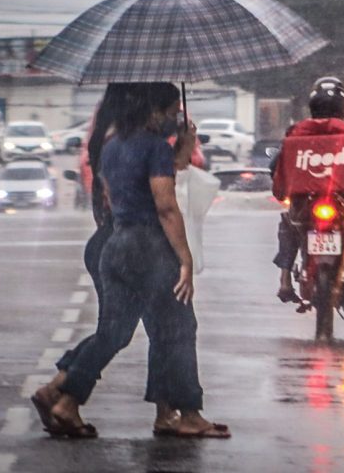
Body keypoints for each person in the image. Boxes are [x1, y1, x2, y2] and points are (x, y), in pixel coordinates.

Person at [33, 83, 227, 439]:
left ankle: (67, 401)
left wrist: (182, 148)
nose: (173, 119)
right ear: (153, 112)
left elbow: (140, 181)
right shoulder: (153, 147)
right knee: (180, 328)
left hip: (117, 245)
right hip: (147, 247)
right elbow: (166, 207)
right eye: (171, 113)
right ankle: (188, 414)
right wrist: (185, 259)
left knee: (115, 333)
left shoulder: (112, 145)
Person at [269, 77, 344, 309]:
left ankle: (284, 279)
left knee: (289, 225)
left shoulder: (295, 133)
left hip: (304, 205)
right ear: (343, 108)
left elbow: (276, 169)